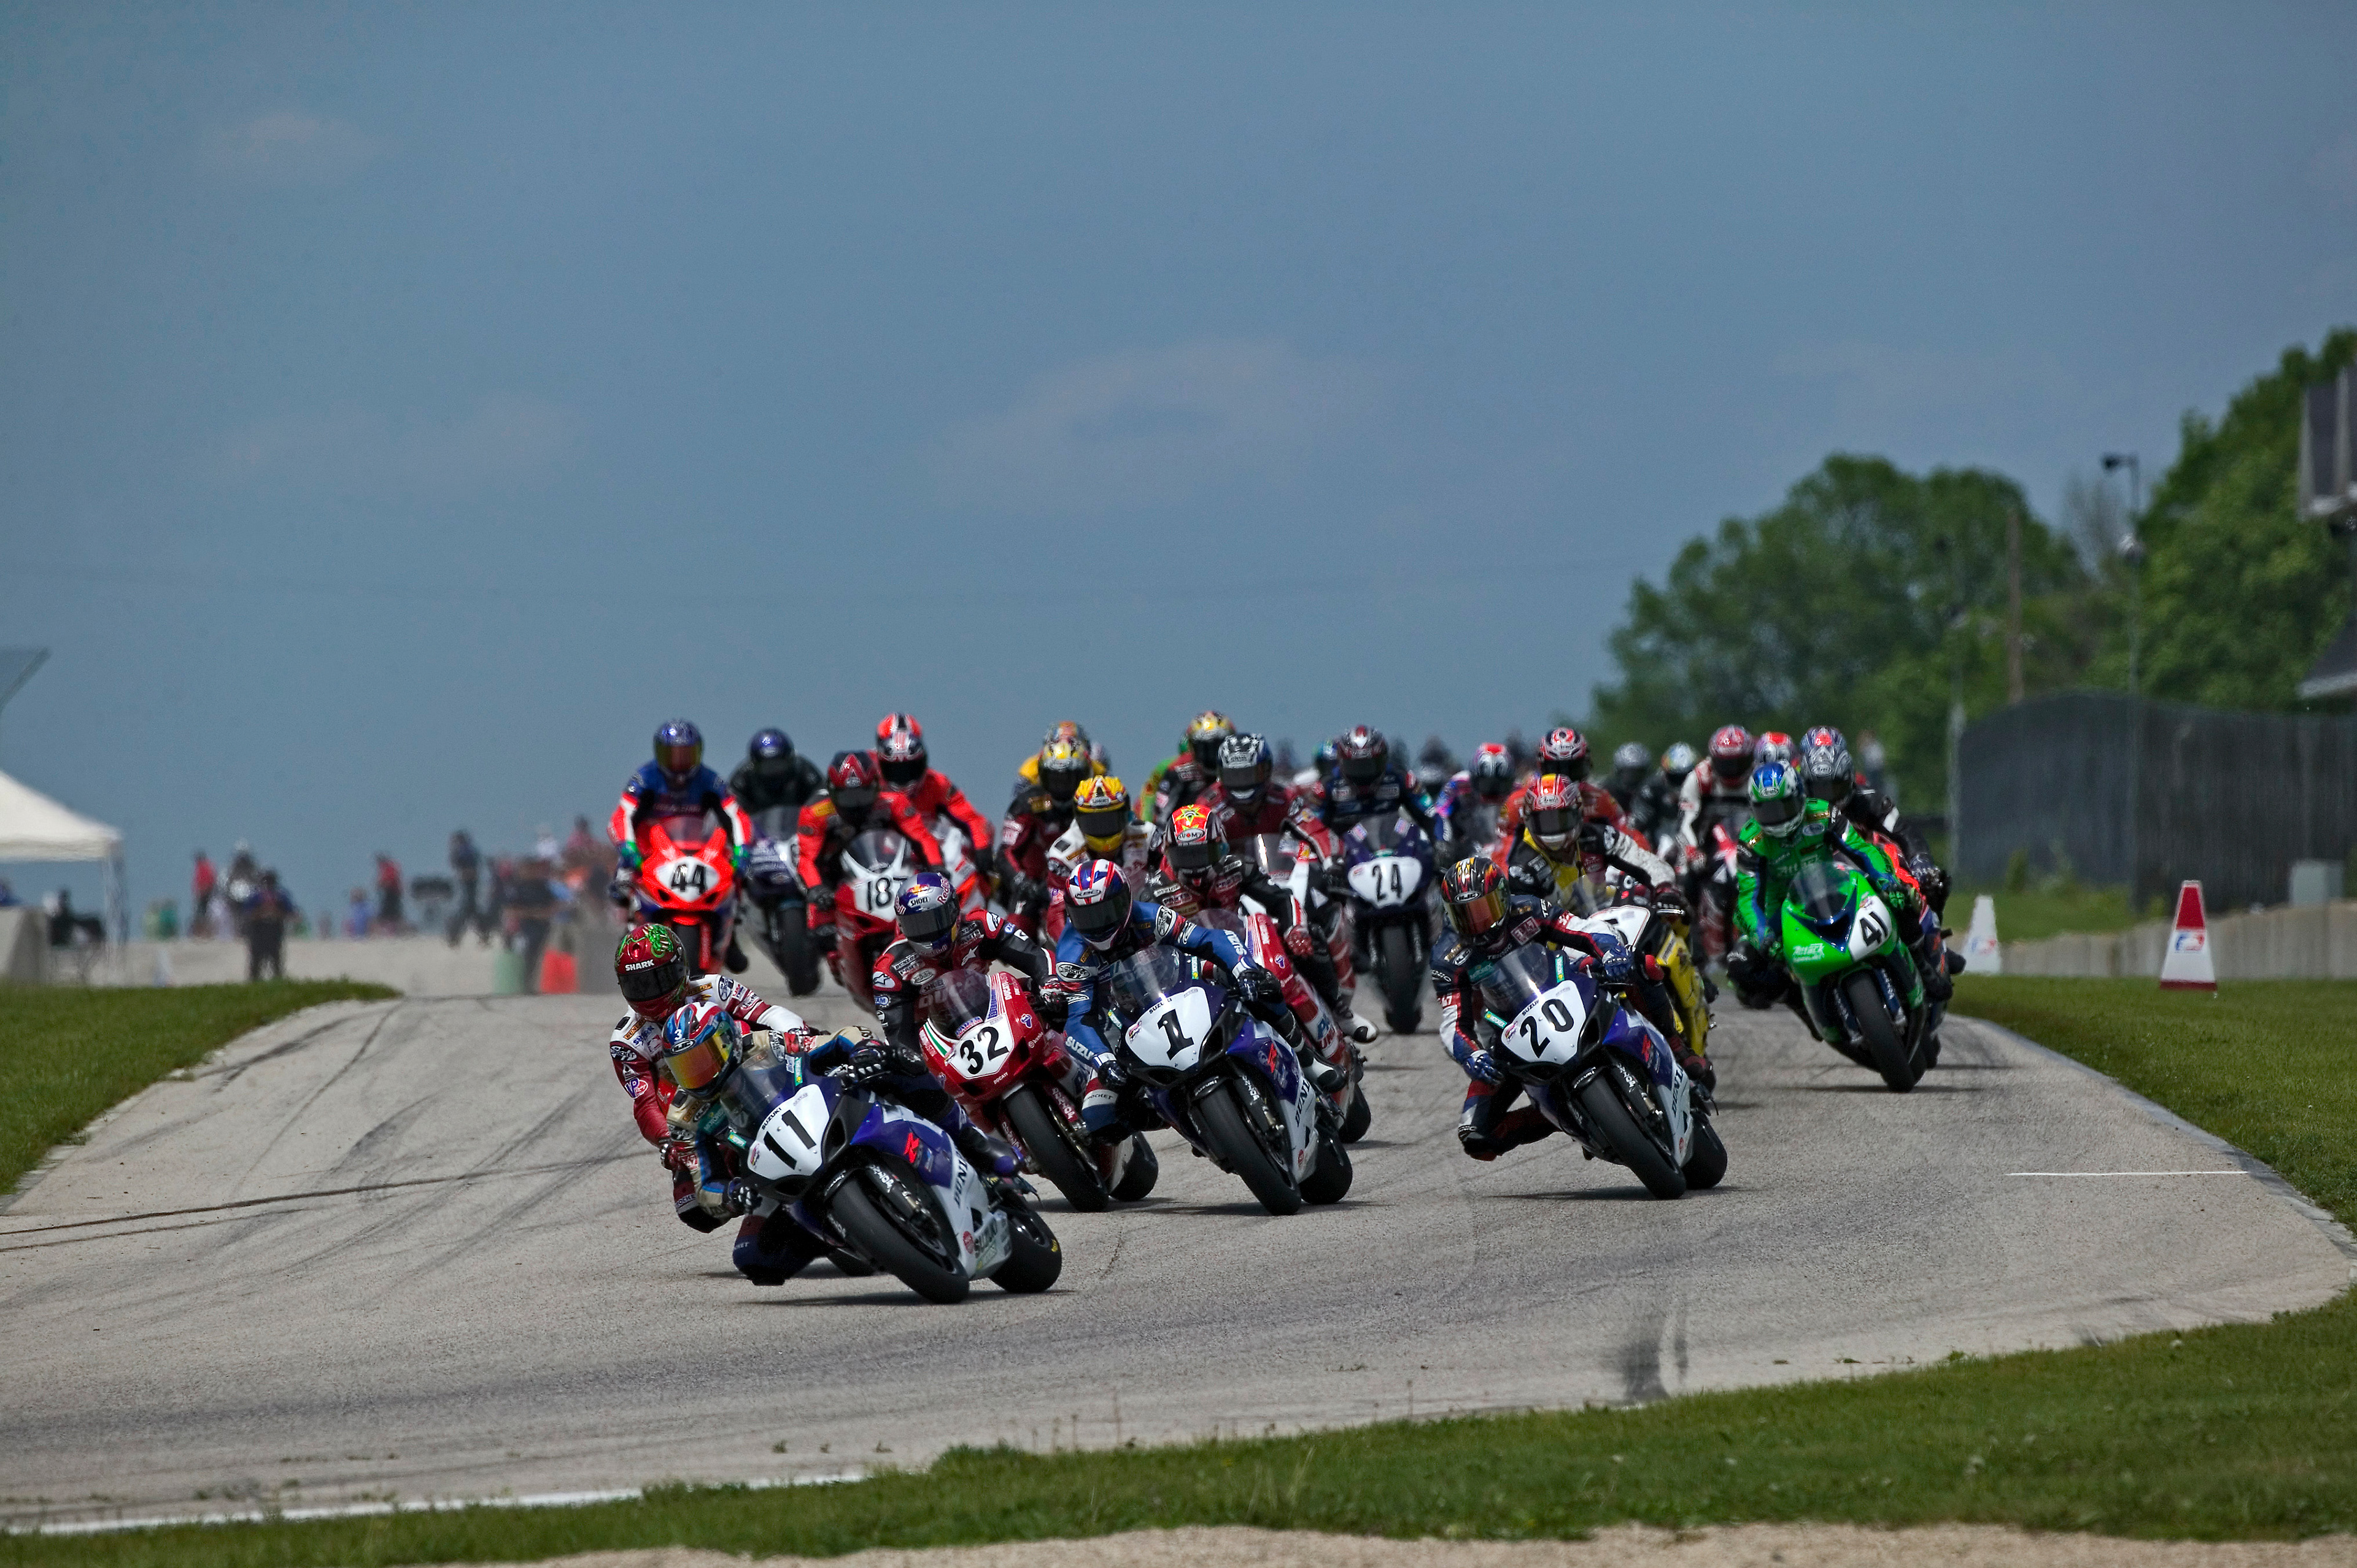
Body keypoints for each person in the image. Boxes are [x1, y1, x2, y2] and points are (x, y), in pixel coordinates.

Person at [656, 1001, 1018, 1286]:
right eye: (685, 1067)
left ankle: (974, 1142)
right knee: (753, 1256)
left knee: (896, 1065)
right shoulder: (686, 1115)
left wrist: (864, 1050)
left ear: (725, 1042)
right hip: (774, 1169)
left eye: (701, 1060)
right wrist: (732, 1195)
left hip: (823, 1110)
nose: (696, 1074)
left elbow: (834, 1039)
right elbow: (703, 1184)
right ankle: (857, 1238)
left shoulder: (765, 1044)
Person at [1051, 858, 1303, 1143]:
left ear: (1126, 902)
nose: (1099, 925)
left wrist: (1242, 969)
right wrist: (1104, 1061)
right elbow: (1079, 1018)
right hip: (1122, 1028)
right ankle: (1179, 1115)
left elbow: (1211, 940)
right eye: (1088, 917)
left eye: (1107, 912)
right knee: (1098, 1119)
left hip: (1180, 987)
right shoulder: (1072, 956)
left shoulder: (1150, 916)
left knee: (1263, 983)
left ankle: (1305, 1056)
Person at [1428, 856, 1662, 1161]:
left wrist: (1612, 954)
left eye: (1483, 910)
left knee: (1644, 967)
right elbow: (1453, 1023)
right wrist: (1472, 1055)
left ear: (1501, 898)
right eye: (1465, 915)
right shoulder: (1448, 957)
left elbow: (1583, 928)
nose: (1477, 923)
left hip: (1567, 983)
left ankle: (1677, 1048)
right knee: (1477, 1138)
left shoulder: (1527, 909)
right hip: (1508, 1033)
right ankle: (1570, 1118)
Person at [1497, 775, 1706, 1086]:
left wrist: (1664, 888)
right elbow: (1533, 929)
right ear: (1529, 820)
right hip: (1565, 944)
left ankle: (1682, 1028)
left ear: (1579, 814)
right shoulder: (1521, 867)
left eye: (1561, 818)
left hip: (1613, 920)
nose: (1554, 830)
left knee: (1674, 916)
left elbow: (1642, 859)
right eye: (1545, 820)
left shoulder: (1599, 837)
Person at [608, 924, 811, 1240]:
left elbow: (767, 1014)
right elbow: (645, 1101)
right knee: (692, 1209)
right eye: (639, 985)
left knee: (827, 1052)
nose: (650, 992)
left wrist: (798, 1037)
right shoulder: (627, 1040)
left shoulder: (713, 988)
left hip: (756, 1073)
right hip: (700, 1108)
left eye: (657, 980)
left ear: (679, 968)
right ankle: (749, 1195)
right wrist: (667, 1140)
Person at [1147, 802, 1374, 1047]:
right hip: (1189, 961)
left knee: (1310, 940)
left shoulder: (1236, 867)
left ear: (1220, 846)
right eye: (1186, 856)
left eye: (1203, 854)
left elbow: (1282, 900)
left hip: (1240, 943)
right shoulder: (1155, 889)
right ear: (1168, 853)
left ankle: (1338, 1011)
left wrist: (1295, 931)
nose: (1195, 866)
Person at [1727, 762, 1951, 1010]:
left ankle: (1922, 965)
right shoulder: (1750, 840)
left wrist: (1887, 882)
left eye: (1784, 806)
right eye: (1767, 811)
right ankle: (1800, 1002)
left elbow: (1863, 850)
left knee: (1899, 896)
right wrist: (1763, 937)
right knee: (1740, 965)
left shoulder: (1824, 813)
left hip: (1833, 885)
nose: (1778, 817)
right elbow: (1748, 898)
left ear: (1800, 797)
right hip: (1781, 908)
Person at [869, 872, 1057, 1054]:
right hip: (935, 1046)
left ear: (954, 912)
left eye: (934, 921)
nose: (927, 933)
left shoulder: (982, 925)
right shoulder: (890, 970)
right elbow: (899, 1038)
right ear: (902, 926)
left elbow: (1034, 955)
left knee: (1045, 993)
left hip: (989, 1017)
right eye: (916, 925)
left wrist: (1050, 983)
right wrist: (911, 1061)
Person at [793, 750, 943, 955]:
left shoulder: (894, 802)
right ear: (832, 790)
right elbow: (806, 859)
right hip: (836, 877)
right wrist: (816, 889)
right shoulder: (815, 812)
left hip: (888, 869)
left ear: (875, 786)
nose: (856, 805)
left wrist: (937, 867)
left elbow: (922, 838)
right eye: (847, 797)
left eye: (862, 795)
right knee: (821, 937)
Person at [1796, 727, 1948, 914]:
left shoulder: (1869, 801)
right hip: (1812, 888)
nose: (1827, 801)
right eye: (1819, 790)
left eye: (1834, 787)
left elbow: (1904, 831)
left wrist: (1920, 862)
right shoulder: (1795, 809)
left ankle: (1925, 935)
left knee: (1917, 872)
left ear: (1849, 778)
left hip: (1868, 883)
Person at [873, 713, 997, 890]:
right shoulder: (871, 783)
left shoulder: (937, 783)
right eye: (895, 769)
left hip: (929, 856)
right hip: (883, 861)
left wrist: (982, 848)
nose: (903, 777)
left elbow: (972, 819)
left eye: (910, 768)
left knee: (980, 856)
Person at [997, 738, 1093, 932]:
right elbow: (1006, 852)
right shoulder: (1027, 803)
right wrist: (1022, 882)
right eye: (1055, 779)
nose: (1062, 788)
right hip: (1036, 886)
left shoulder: (1094, 802)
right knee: (1015, 931)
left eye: (1069, 779)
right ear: (1042, 776)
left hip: (1086, 882)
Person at [1298, 725, 1439, 836]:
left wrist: (1441, 844)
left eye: (1369, 766)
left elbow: (1432, 815)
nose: (1363, 775)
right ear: (1341, 763)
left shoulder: (1402, 779)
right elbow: (1312, 830)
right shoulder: (1326, 787)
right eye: (1355, 767)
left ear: (1383, 761)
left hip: (1396, 851)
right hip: (1344, 859)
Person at [1431, 742, 1516, 861]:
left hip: (1505, 851)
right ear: (1475, 777)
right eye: (1486, 783)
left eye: (1499, 785)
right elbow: (1439, 814)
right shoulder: (1458, 784)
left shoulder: (1518, 790)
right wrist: (1442, 842)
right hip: (1465, 848)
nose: (1492, 791)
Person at [1150, 711, 1236, 822]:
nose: (1211, 756)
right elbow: (1160, 818)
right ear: (1192, 746)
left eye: (1217, 748)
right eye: (1203, 748)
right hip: (1188, 833)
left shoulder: (1241, 769)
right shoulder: (1178, 770)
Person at [729, 728, 826, 817]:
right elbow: (730, 802)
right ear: (754, 766)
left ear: (790, 761)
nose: (773, 773)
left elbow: (822, 792)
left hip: (802, 830)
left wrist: (809, 812)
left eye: (778, 765)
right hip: (757, 833)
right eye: (767, 767)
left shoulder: (803, 769)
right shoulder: (743, 776)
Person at [505, 859, 562, 992]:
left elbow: (554, 904)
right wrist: (532, 914)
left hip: (543, 927)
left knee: (541, 958)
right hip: (525, 928)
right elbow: (510, 910)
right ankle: (526, 986)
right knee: (528, 957)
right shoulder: (518, 888)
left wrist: (546, 913)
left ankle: (536, 985)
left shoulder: (542, 886)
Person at [1631, 743, 1695, 846]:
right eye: (1676, 778)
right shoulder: (1652, 788)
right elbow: (1639, 820)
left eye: (1687, 777)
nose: (1682, 783)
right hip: (1661, 836)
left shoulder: (1704, 786)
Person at [244, 871, 295, 980]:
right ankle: (255, 981)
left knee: (275, 959)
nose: (268, 884)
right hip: (259, 930)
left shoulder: (280, 896)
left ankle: (276, 980)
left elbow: (290, 913)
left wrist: (276, 913)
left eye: (270, 881)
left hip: (274, 929)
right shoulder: (256, 896)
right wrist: (261, 913)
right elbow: (248, 913)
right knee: (257, 959)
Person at [447, 830, 484, 947]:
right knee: (470, 910)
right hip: (467, 882)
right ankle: (482, 934)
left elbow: (459, 863)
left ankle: (455, 936)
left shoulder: (465, 850)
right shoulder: (469, 850)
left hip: (468, 881)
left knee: (467, 910)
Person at [1605, 742, 1653, 814]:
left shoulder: (1653, 795)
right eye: (1629, 774)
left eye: (1638, 774)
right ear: (1618, 773)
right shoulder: (1607, 795)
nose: (1633, 779)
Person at [191, 851, 217, 939]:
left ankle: (207, 932)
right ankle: (201, 933)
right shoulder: (200, 867)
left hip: (206, 894)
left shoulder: (205, 867)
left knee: (205, 913)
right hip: (202, 894)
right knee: (201, 913)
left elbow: (210, 880)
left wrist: (204, 891)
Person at [374, 854, 404, 930]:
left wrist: (381, 884)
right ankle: (388, 930)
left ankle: (394, 930)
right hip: (388, 894)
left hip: (392, 894)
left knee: (391, 914)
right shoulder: (384, 869)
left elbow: (389, 881)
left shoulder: (389, 868)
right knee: (390, 914)